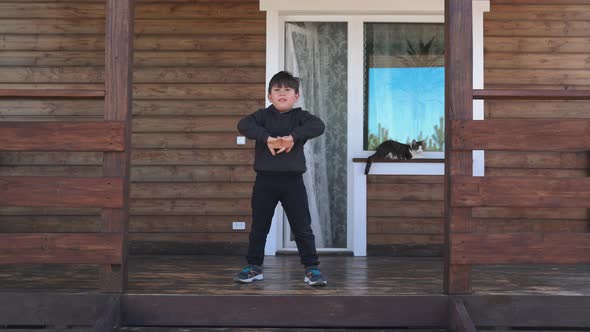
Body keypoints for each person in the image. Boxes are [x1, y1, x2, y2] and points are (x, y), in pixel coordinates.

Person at [234, 71, 327, 286]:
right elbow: (243, 124)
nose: (282, 93)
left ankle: (312, 269)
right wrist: (267, 138)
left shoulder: (301, 118)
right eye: (277, 90)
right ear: (269, 96)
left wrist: (292, 138)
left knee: (302, 227)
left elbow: (318, 126)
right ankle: (254, 267)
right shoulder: (261, 116)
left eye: (287, 90)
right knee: (259, 226)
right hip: (265, 181)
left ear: (296, 96)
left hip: (292, 182)